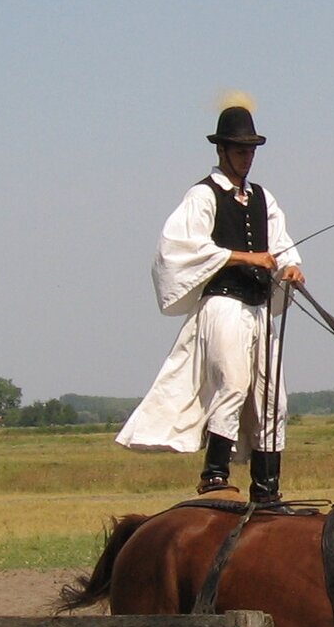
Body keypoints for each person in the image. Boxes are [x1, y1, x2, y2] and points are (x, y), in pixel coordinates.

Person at [116, 102, 305, 502]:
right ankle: (215, 475)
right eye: (239, 150)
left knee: (273, 397)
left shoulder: (262, 198)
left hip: (258, 309)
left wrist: (290, 267)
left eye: (251, 150)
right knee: (233, 383)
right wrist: (242, 256)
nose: (246, 158)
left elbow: (282, 244)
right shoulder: (202, 196)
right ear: (221, 151)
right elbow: (179, 248)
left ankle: (266, 490)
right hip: (223, 305)